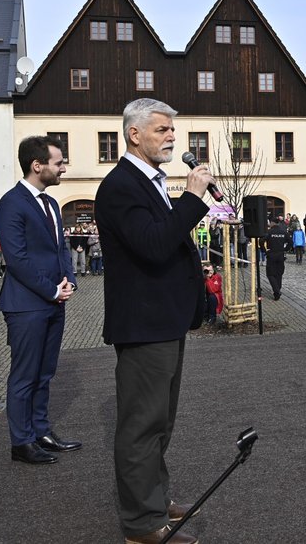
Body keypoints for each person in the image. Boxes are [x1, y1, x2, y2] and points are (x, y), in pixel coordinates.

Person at [95, 98, 212, 544]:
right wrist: (192, 199)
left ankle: (155, 498)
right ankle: (142, 525)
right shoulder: (121, 186)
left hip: (163, 321)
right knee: (142, 426)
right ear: (134, 134)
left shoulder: (149, 182)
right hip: (144, 324)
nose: (171, 137)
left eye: (171, 130)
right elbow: (153, 245)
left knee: (160, 422)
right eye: (161, 129)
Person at [0, 135, 79, 466]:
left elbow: (61, 250)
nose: (63, 168)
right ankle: (21, 441)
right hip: (26, 305)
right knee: (24, 375)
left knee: (45, 373)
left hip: (53, 303)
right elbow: (17, 260)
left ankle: (41, 431)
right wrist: (52, 289)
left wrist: (69, 281)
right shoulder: (11, 204)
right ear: (37, 165)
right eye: (58, 163)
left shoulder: (52, 204)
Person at [265, 215, 288, 300]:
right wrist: (285, 250)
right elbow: (290, 242)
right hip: (280, 255)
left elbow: (261, 241)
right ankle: (277, 292)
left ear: (272, 223)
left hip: (271, 255)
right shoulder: (283, 231)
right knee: (279, 274)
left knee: (270, 274)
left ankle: (276, 290)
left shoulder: (269, 232)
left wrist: (265, 251)